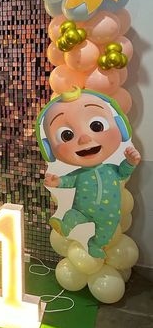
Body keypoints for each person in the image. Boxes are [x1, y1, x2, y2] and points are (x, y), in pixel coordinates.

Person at [36, 87, 140, 258]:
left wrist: (130, 162)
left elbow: (122, 172)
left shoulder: (111, 169)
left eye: (96, 126)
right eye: (66, 135)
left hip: (109, 215)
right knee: (73, 215)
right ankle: (65, 226)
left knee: (106, 231)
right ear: (49, 149)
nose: (84, 139)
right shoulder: (79, 174)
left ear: (121, 127)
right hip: (81, 210)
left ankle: (96, 244)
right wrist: (57, 182)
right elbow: (68, 180)